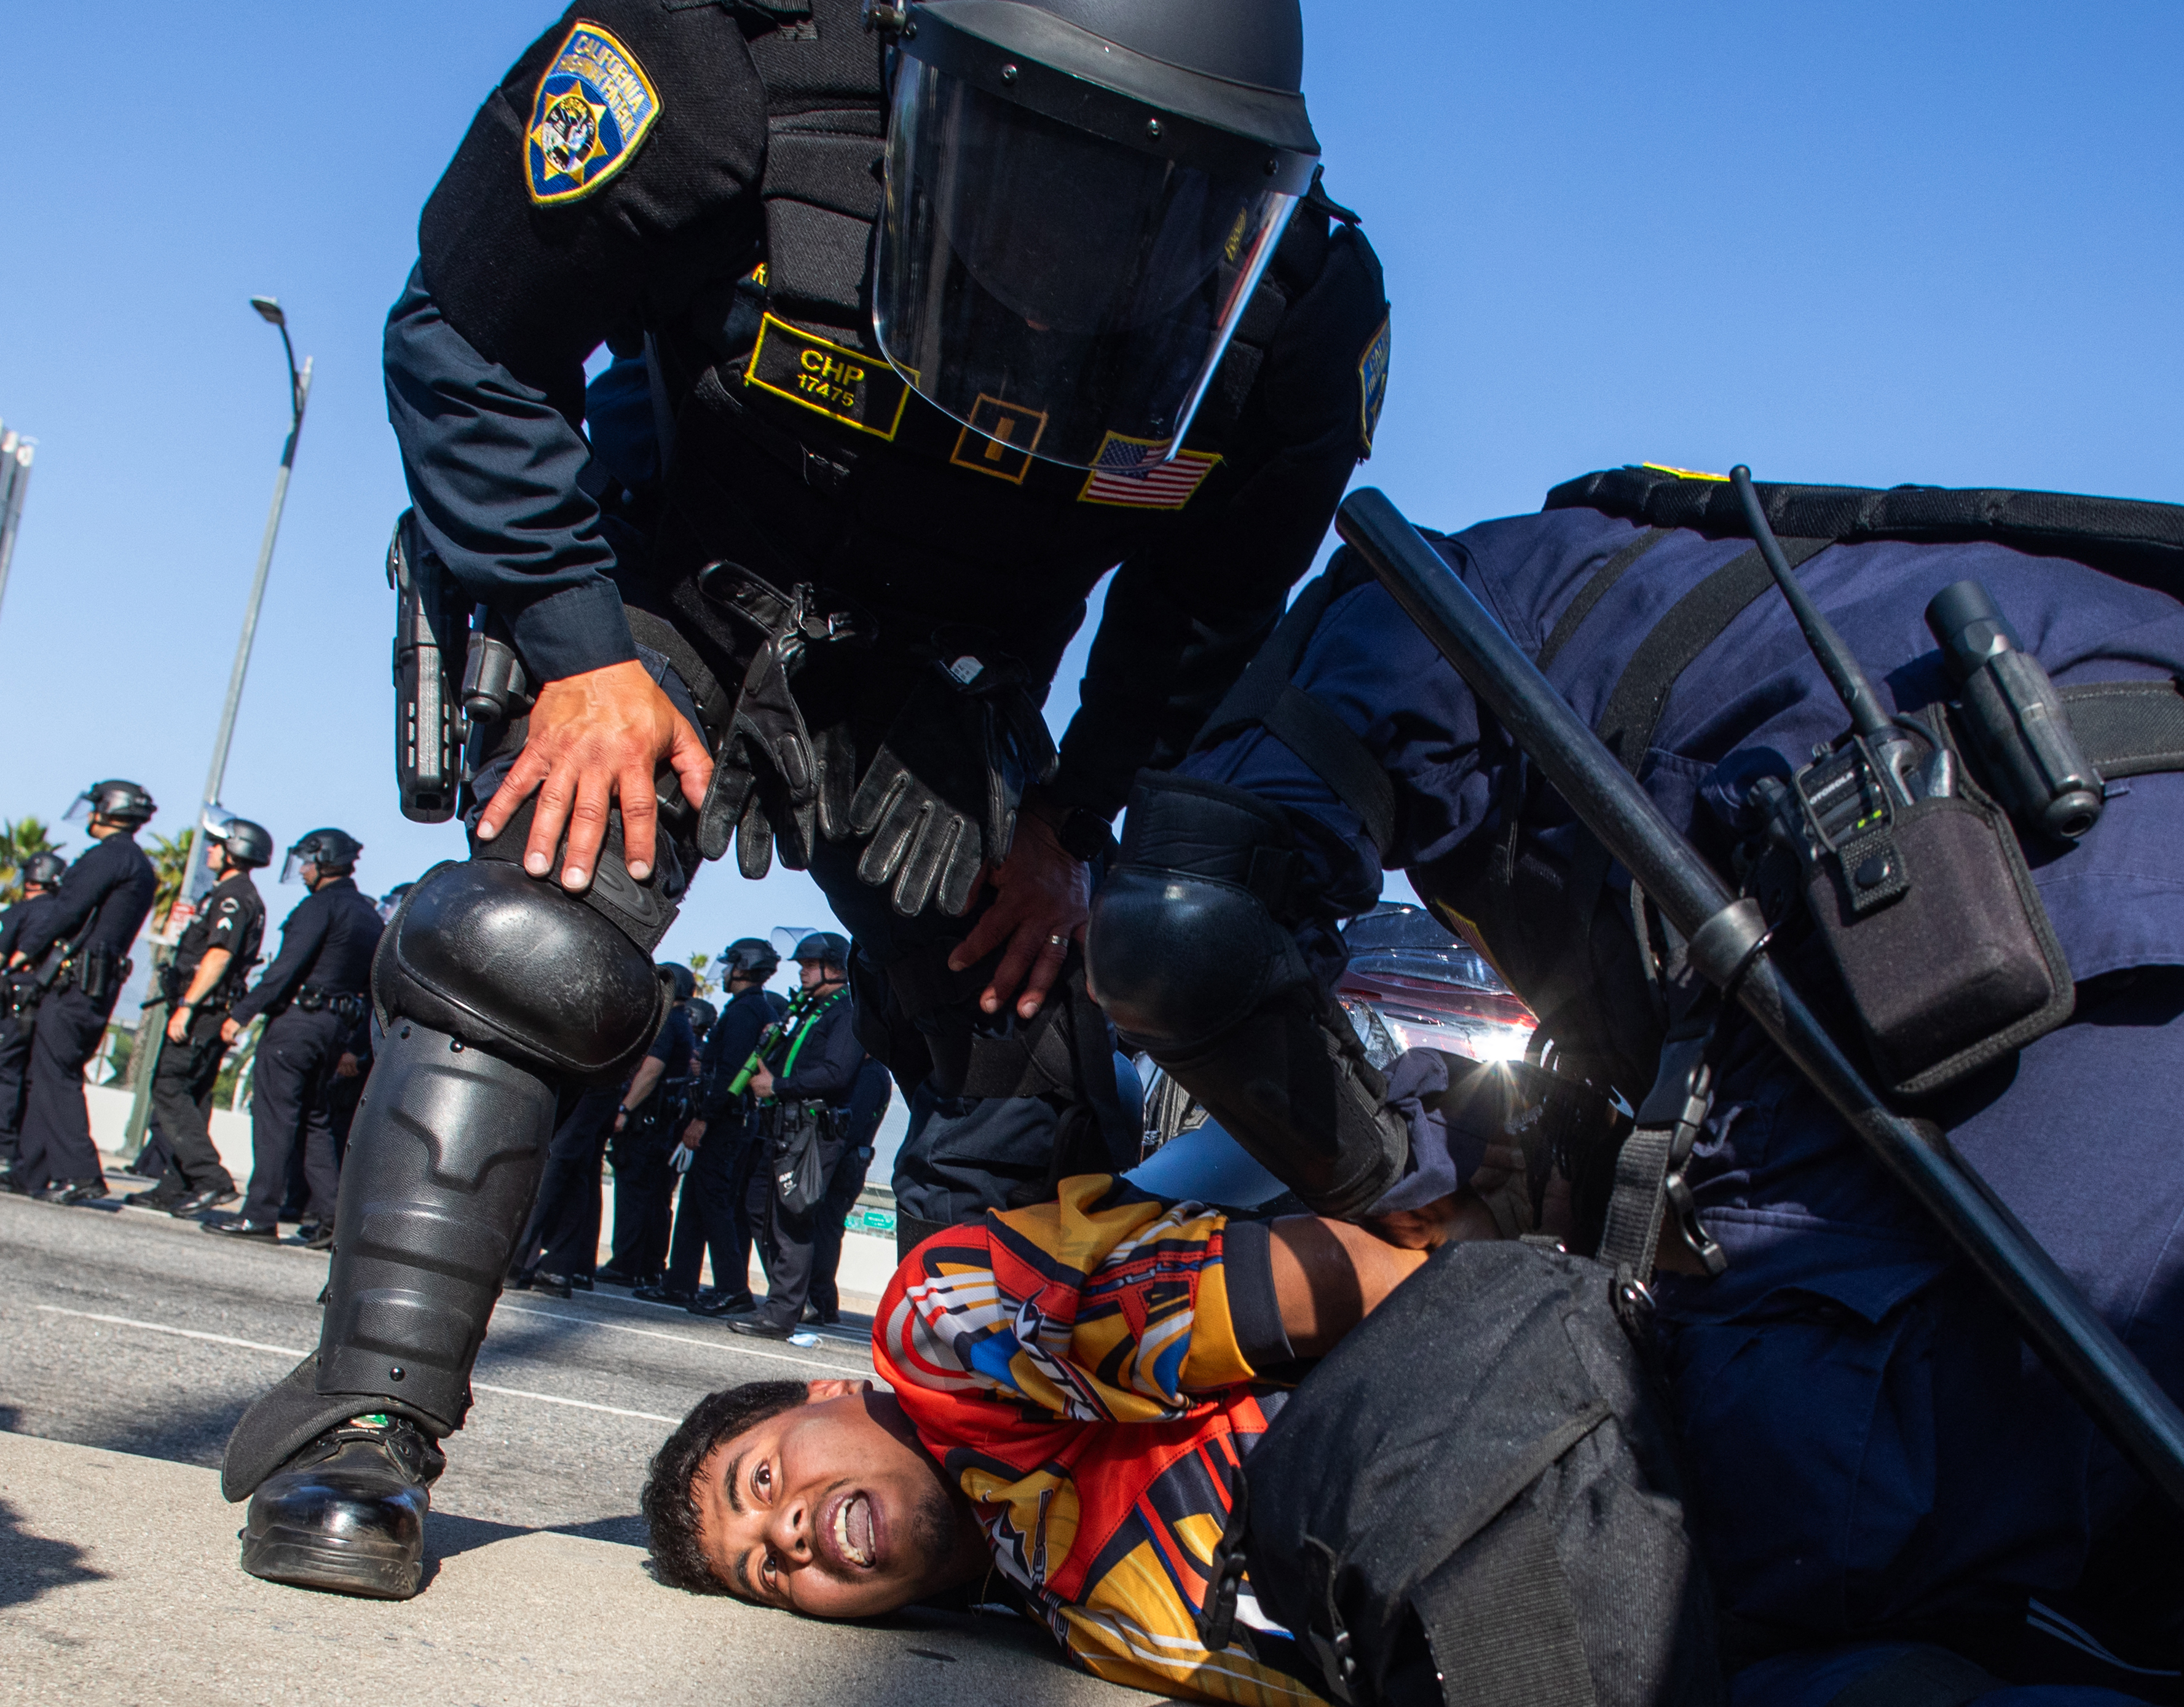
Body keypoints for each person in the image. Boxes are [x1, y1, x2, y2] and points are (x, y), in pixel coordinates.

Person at [221, 0, 1387, 1602]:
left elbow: (1207, 605)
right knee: (530, 936)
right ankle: (365, 1419)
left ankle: (974, 1465)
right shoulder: (724, 66)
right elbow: (466, 332)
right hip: (665, 591)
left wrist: (1072, 822)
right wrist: (569, 639)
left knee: (1025, 1029)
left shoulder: (1298, 307)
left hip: (946, 673)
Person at [1080, 465, 2184, 1706]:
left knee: (1665, 1569)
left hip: (2072, 912)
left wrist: (1406, 1190)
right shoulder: (1720, 595)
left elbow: (1179, 930)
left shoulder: (1414, 599)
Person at [639, 1170, 1540, 1704]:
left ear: (827, 1392)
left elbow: (1363, 1279)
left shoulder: (947, 1333)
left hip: (1539, 1431)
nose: (788, 1535)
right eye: (767, 1571)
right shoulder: (1081, 1624)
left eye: (761, 1482)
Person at [203, 830, 382, 1243]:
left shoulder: (318, 906)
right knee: (314, 1121)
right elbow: (372, 986)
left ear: (324, 860)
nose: (302, 870)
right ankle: (334, 1219)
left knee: (275, 1118)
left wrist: (241, 1014)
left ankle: (259, 1214)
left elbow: (286, 968)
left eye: (306, 861)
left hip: (297, 1023)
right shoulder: (368, 915)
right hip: (335, 1028)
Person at [6, 782, 158, 1204]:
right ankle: (31, 1170)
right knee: (46, 1072)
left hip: (75, 982)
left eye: (96, 807)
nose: (90, 814)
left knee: (56, 1073)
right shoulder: (138, 863)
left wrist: (26, 950)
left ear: (110, 810)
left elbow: (68, 909)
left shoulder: (107, 856)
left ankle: (80, 1172)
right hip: (95, 981)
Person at [127, 816, 272, 1216]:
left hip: (203, 1010)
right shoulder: (232, 893)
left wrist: (188, 1006)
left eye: (217, 844)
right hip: (211, 1010)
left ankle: (211, 1178)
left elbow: (219, 954)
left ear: (235, 851)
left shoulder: (233, 896)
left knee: (169, 1086)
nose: (210, 849)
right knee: (195, 1095)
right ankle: (176, 1185)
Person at [639, 939, 787, 1317]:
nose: (723, 972)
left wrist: (704, 1117)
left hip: (724, 1120)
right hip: (730, 1118)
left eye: (730, 964)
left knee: (714, 1203)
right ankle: (680, 1283)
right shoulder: (755, 1008)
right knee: (696, 1200)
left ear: (744, 967)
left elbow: (730, 1073)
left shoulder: (745, 1011)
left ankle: (733, 1289)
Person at [731, 931, 865, 1341]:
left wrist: (778, 1085)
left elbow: (835, 1074)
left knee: (794, 1216)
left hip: (811, 1130)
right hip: (782, 1126)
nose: (803, 972)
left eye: (809, 965)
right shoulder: (812, 1009)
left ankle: (782, 1312)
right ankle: (789, 1298)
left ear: (833, 967)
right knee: (760, 1207)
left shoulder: (845, 1011)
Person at [596, 964, 703, 1288]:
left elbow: (651, 1071)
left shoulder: (667, 1023)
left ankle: (627, 1263)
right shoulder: (682, 1024)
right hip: (663, 1124)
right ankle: (649, 1264)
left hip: (646, 1122)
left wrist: (625, 1108)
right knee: (655, 1197)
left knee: (634, 1194)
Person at [805, 1054, 893, 1328]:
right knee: (826, 1229)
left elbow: (851, 1125)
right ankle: (823, 1301)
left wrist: (827, 1162)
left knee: (825, 1230)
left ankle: (821, 1301)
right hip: (850, 1161)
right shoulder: (873, 1073)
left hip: (845, 1163)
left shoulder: (870, 1074)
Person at [0, 848, 67, 1191]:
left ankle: (4, 1147)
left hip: (13, 1002)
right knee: (31, 1078)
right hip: (49, 1005)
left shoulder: (20, 912)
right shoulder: (66, 914)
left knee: (5, 1073)